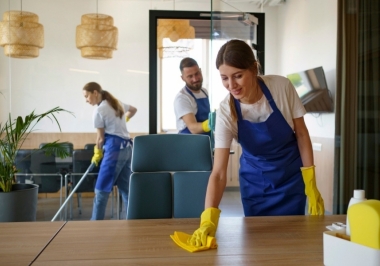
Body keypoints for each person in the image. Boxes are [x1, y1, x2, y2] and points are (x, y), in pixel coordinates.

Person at [187, 39, 325, 247]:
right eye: (224, 78)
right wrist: (208, 219)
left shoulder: (281, 87)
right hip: (255, 184)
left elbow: (302, 135)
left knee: (292, 242)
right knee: (258, 244)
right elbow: (219, 173)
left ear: (253, 68)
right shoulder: (226, 111)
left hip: (291, 178)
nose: (231, 85)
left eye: (238, 76)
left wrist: (311, 183)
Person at [82, 82, 137, 220]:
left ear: (95, 93)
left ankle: (95, 224)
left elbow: (100, 139)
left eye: (87, 96)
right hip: (128, 149)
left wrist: (97, 153)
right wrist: (124, 120)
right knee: (126, 189)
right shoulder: (116, 103)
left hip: (114, 151)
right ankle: (133, 220)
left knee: (101, 189)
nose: (86, 100)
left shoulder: (99, 110)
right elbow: (134, 109)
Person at [174, 57, 212, 135]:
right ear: (183, 78)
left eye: (197, 74)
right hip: (188, 143)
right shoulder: (182, 98)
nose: (195, 79)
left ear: (201, 71)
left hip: (206, 140)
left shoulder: (204, 91)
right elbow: (193, 128)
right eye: (190, 76)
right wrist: (213, 123)